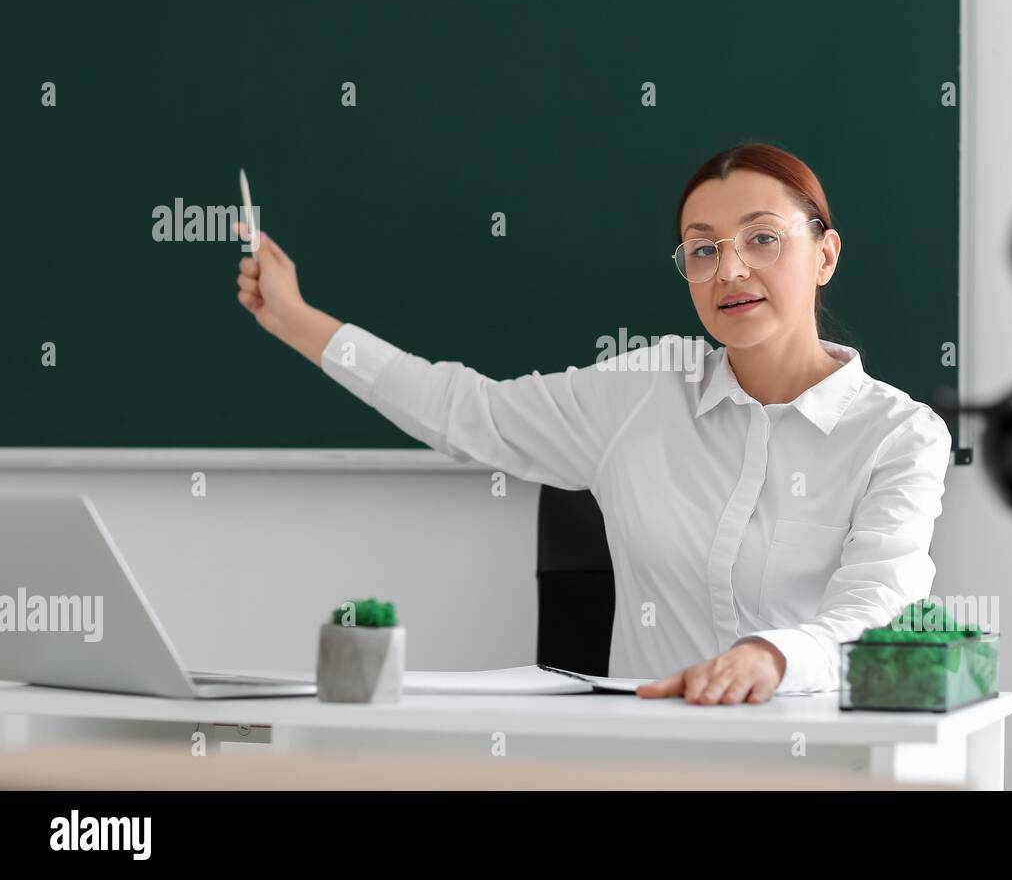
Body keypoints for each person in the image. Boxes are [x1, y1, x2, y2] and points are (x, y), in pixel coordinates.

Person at [234, 142, 952, 705]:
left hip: (809, 763)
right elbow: (466, 411)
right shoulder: (645, 391)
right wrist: (297, 320)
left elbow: (875, 614)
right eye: (702, 250)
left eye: (762, 239)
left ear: (824, 254)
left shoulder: (898, 436)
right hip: (641, 759)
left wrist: (770, 657)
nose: (730, 270)